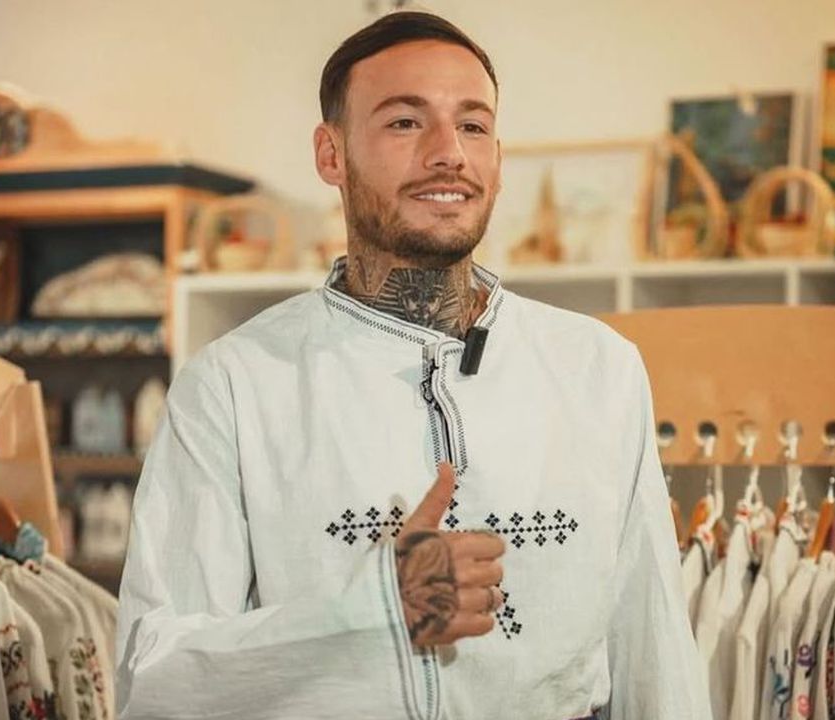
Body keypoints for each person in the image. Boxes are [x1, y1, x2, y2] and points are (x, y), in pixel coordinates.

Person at [115, 11, 708, 720]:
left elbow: (653, 649)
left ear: (497, 157)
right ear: (331, 154)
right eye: (405, 122)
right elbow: (153, 678)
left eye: (473, 125)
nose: (448, 153)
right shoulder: (234, 387)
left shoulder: (599, 370)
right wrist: (371, 614)